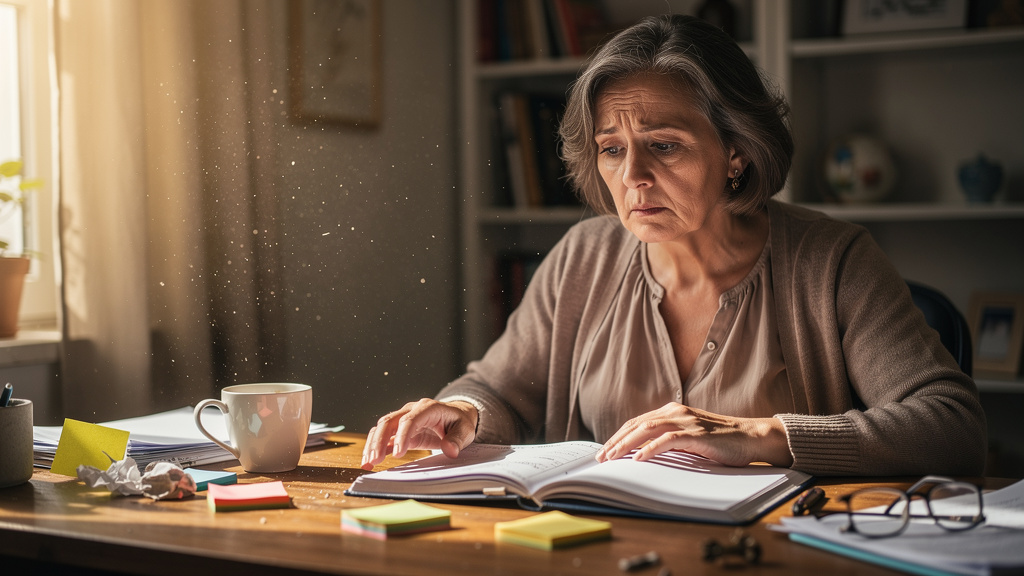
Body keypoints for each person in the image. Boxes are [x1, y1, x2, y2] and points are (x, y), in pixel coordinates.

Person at [361, 14, 986, 476]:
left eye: (663, 144)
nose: (631, 177)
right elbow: (501, 389)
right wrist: (463, 411)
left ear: (736, 150)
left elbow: (953, 427)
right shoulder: (584, 255)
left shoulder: (834, 261)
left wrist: (765, 433)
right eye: (612, 149)